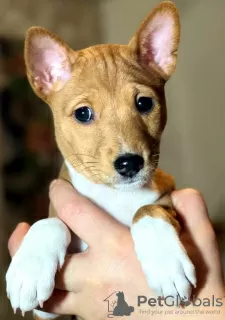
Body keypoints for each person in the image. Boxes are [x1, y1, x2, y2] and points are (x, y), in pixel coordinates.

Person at [8, 180, 225, 319]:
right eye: (83, 114)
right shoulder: (66, 205)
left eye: (144, 104)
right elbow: (43, 309)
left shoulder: (159, 196)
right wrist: (47, 235)